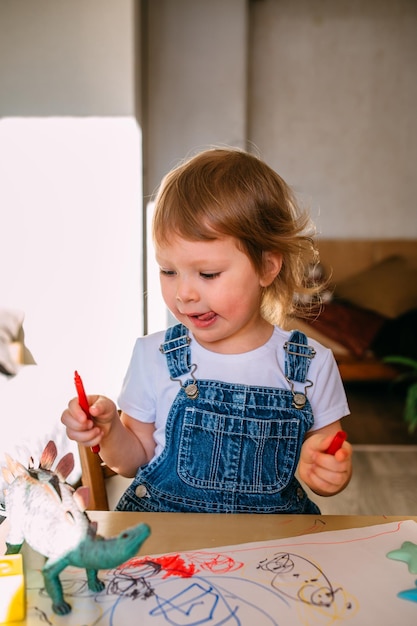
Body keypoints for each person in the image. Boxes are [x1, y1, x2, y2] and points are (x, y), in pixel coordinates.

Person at [62, 147, 352, 513]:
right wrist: (108, 433)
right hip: (169, 544)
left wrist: (327, 471)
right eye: (168, 271)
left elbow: (327, 461)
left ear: (267, 267)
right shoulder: (154, 357)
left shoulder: (311, 366)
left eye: (208, 274)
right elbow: (134, 460)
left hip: (269, 549)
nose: (184, 293)